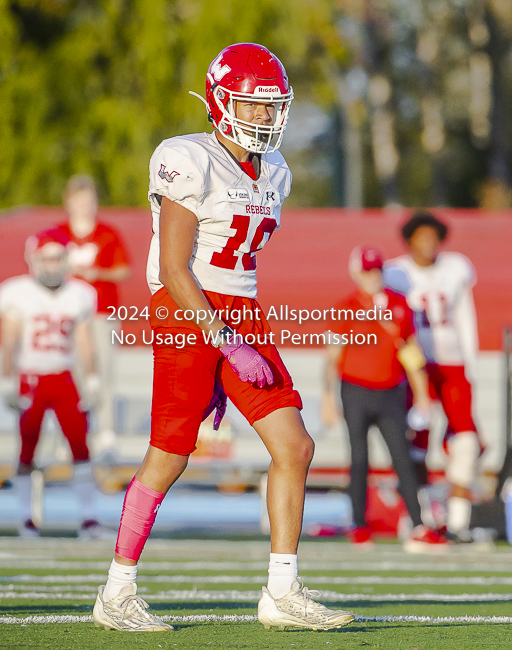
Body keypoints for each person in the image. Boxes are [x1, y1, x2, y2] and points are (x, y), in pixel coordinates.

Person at [92, 42, 355, 633]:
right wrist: (222, 342)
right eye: (254, 105)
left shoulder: (277, 170)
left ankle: (282, 592)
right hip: (187, 309)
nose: (265, 117)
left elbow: (240, 266)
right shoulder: (189, 157)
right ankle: (116, 592)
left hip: (243, 310)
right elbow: (178, 268)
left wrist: (238, 337)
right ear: (221, 102)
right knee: (171, 454)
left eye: (272, 106)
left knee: (295, 445)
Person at [321, 246, 447, 552]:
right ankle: (359, 524)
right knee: (359, 457)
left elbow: (410, 350)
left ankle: (418, 524)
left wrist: (421, 394)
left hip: (391, 391)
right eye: (366, 271)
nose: (372, 277)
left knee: (402, 458)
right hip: (356, 390)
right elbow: (333, 357)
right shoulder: (346, 307)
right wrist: (327, 398)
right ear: (355, 273)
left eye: (376, 271)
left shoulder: (399, 305)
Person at [0, 228, 107, 539]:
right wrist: (7, 380)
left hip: (64, 376)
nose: (52, 265)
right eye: (46, 259)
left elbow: (85, 341)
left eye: (58, 258)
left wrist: (93, 379)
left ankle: (88, 520)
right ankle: (26, 520)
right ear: (34, 260)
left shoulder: (79, 294)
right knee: (27, 451)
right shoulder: (16, 293)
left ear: (66, 260)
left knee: (81, 448)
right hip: (31, 377)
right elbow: (10, 339)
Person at [384, 212, 482, 543]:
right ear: (409, 240)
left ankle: (458, 523)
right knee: (416, 441)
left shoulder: (456, 268)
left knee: (466, 441)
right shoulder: (395, 272)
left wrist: (471, 364)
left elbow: (465, 316)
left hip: (452, 362)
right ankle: (420, 517)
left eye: (433, 237)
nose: (428, 243)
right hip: (416, 367)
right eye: (421, 237)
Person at [58, 175, 131, 457]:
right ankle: (72, 436)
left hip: (103, 313)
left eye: (89, 201)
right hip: (70, 317)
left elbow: (124, 269)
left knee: (105, 373)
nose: (84, 207)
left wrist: (97, 274)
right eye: (79, 201)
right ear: (68, 203)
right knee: (72, 375)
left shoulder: (107, 233)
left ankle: (107, 433)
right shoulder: (58, 234)